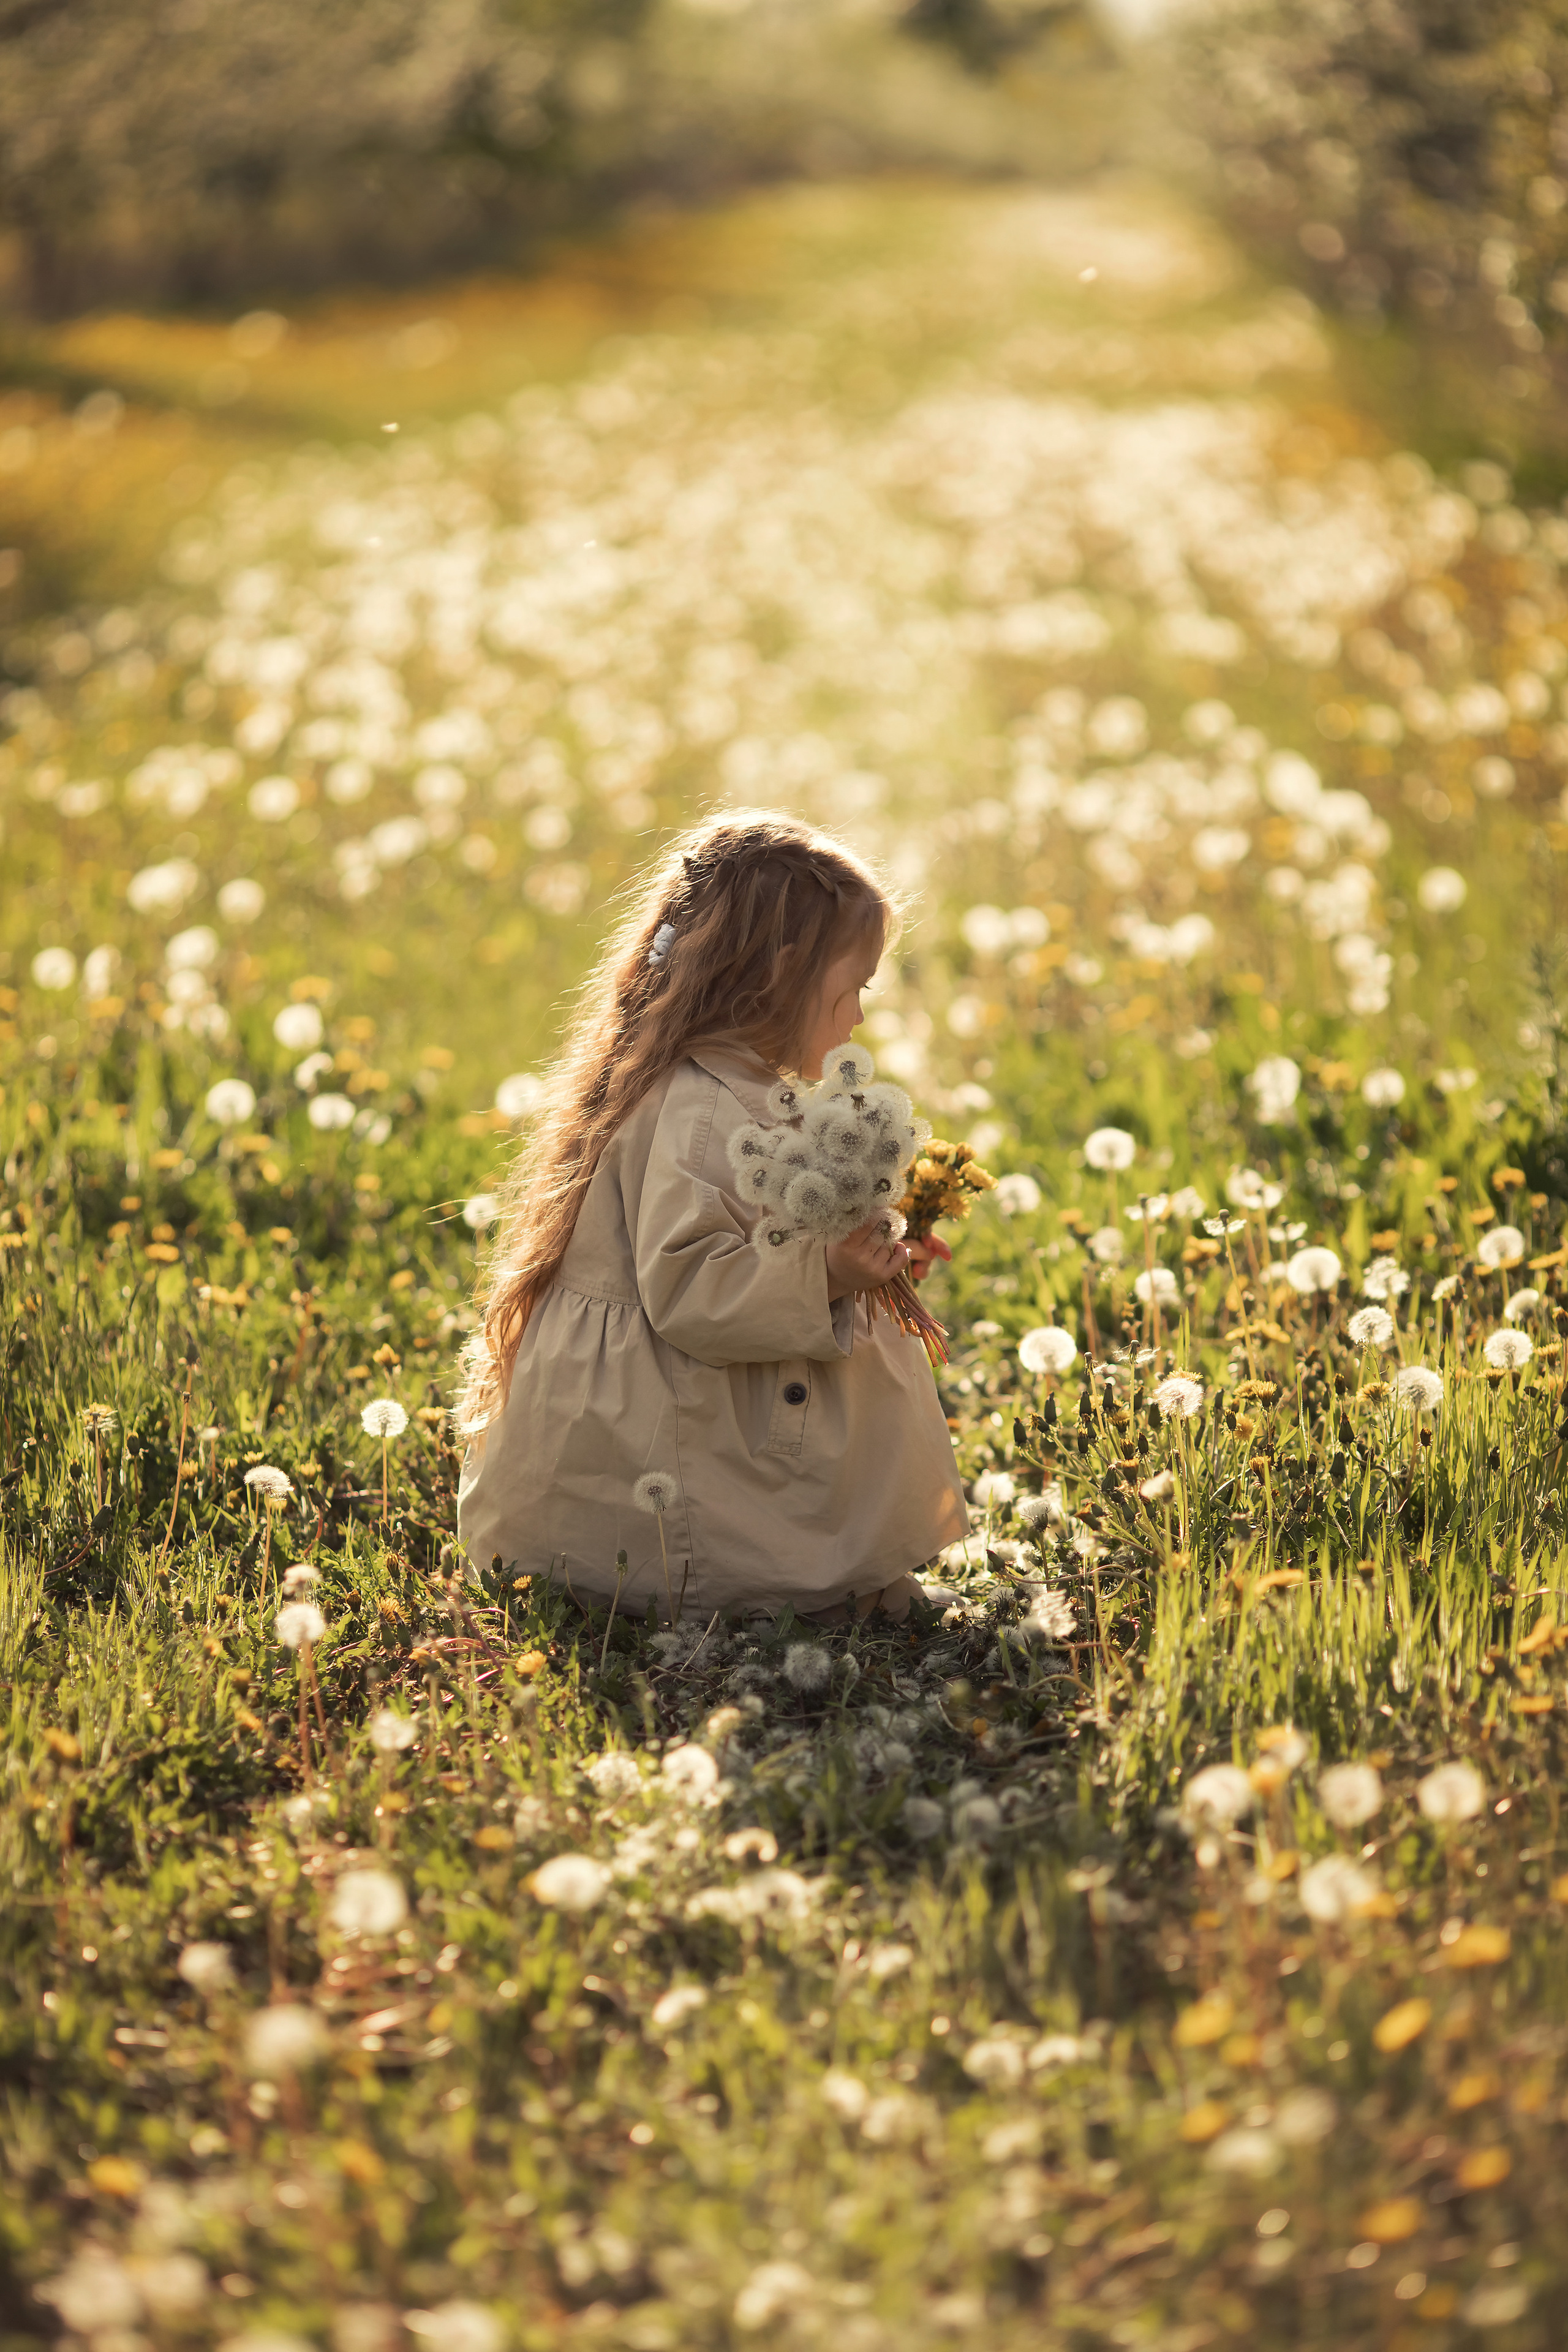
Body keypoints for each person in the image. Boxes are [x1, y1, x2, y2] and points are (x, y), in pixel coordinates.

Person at [455, 810, 967, 1622]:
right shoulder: (696, 1114)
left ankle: (834, 1575)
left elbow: (768, 1221)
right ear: (783, 976)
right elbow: (691, 1289)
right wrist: (826, 1273)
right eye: (852, 991)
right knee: (767, 1560)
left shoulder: (730, 1092)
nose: (859, 1020)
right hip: (663, 1479)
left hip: (658, 1443)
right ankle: (780, 1589)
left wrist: (866, 1247)